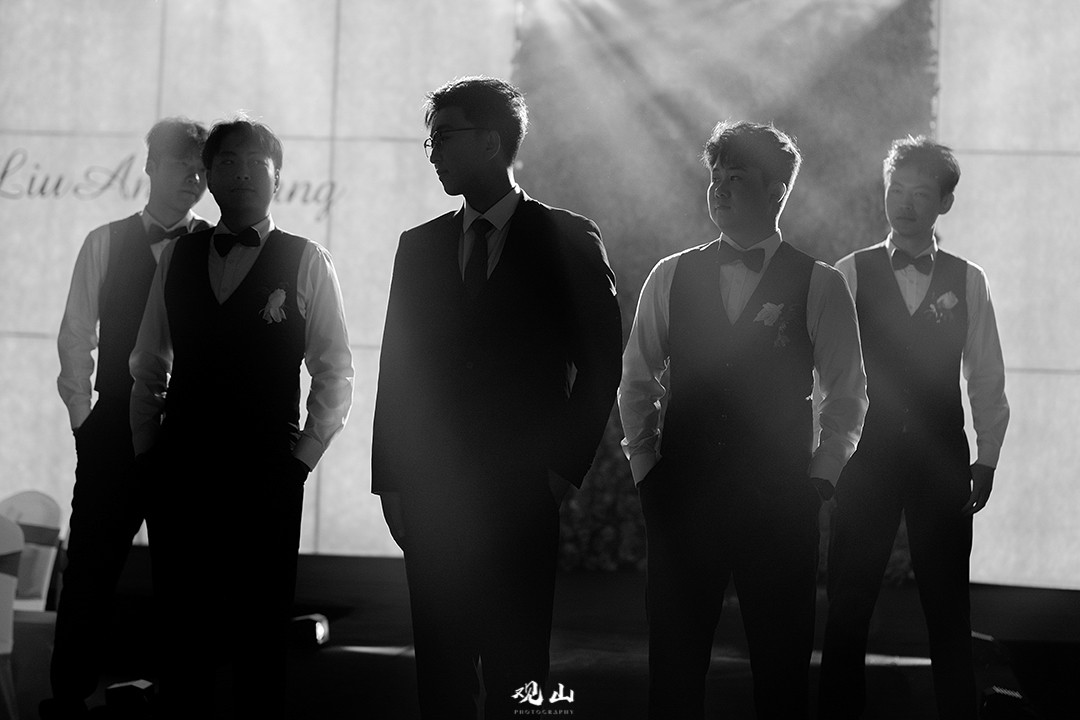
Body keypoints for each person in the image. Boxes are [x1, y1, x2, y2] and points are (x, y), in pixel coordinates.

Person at [371, 76, 623, 719]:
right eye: (429, 141)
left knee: (519, 672)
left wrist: (559, 471)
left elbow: (601, 364)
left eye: (444, 138)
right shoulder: (418, 245)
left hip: (522, 491)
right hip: (431, 493)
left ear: (490, 142)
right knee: (441, 672)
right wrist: (390, 482)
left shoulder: (569, 238)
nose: (432, 153)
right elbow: (399, 371)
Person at [619, 120, 868, 719]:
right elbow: (637, 377)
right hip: (683, 501)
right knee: (673, 672)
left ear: (777, 192)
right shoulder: (670, 274)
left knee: (782, 675)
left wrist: (821, 478)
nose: (719, 189)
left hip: (780, 505)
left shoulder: (821, 283)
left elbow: (848, 392)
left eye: (736, 178)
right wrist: (647, 468)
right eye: (715, 177)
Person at [129, 115, 353, 719]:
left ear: (278, 177)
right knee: (183, 628)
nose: (243, 173)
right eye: (227, 162)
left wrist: (300, 462)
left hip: (267, 472)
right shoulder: (177, 256)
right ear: (208, 176)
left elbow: (335, 372)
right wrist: (147, 452)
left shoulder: (307, 259)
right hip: (181, 468)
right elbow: (149, 362)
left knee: (260, 631)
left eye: (257, 162)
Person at [818, 136, 1009, 720]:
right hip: (864, 458)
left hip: (942, 460)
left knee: (948, 609)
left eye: (920, 193)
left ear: (944, 203)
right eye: (895, 190)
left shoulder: (968, 279)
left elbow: (986, 374)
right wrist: (826, 455)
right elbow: (828, 375)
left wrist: (987, 455)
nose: (904, 203)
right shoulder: (850, 272)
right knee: (848, 605)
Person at [47, 117, 210, 719]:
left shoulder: (215, 244)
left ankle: (182, 699)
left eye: (201, 170)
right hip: (112, 424)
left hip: (186, 432)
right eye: (181, 166)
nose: (194, 179)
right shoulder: (105, 241)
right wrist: (83, 420)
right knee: (89, 569)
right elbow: (75, 334)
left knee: (186, 578)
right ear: (150, 167)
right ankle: (66, 698)